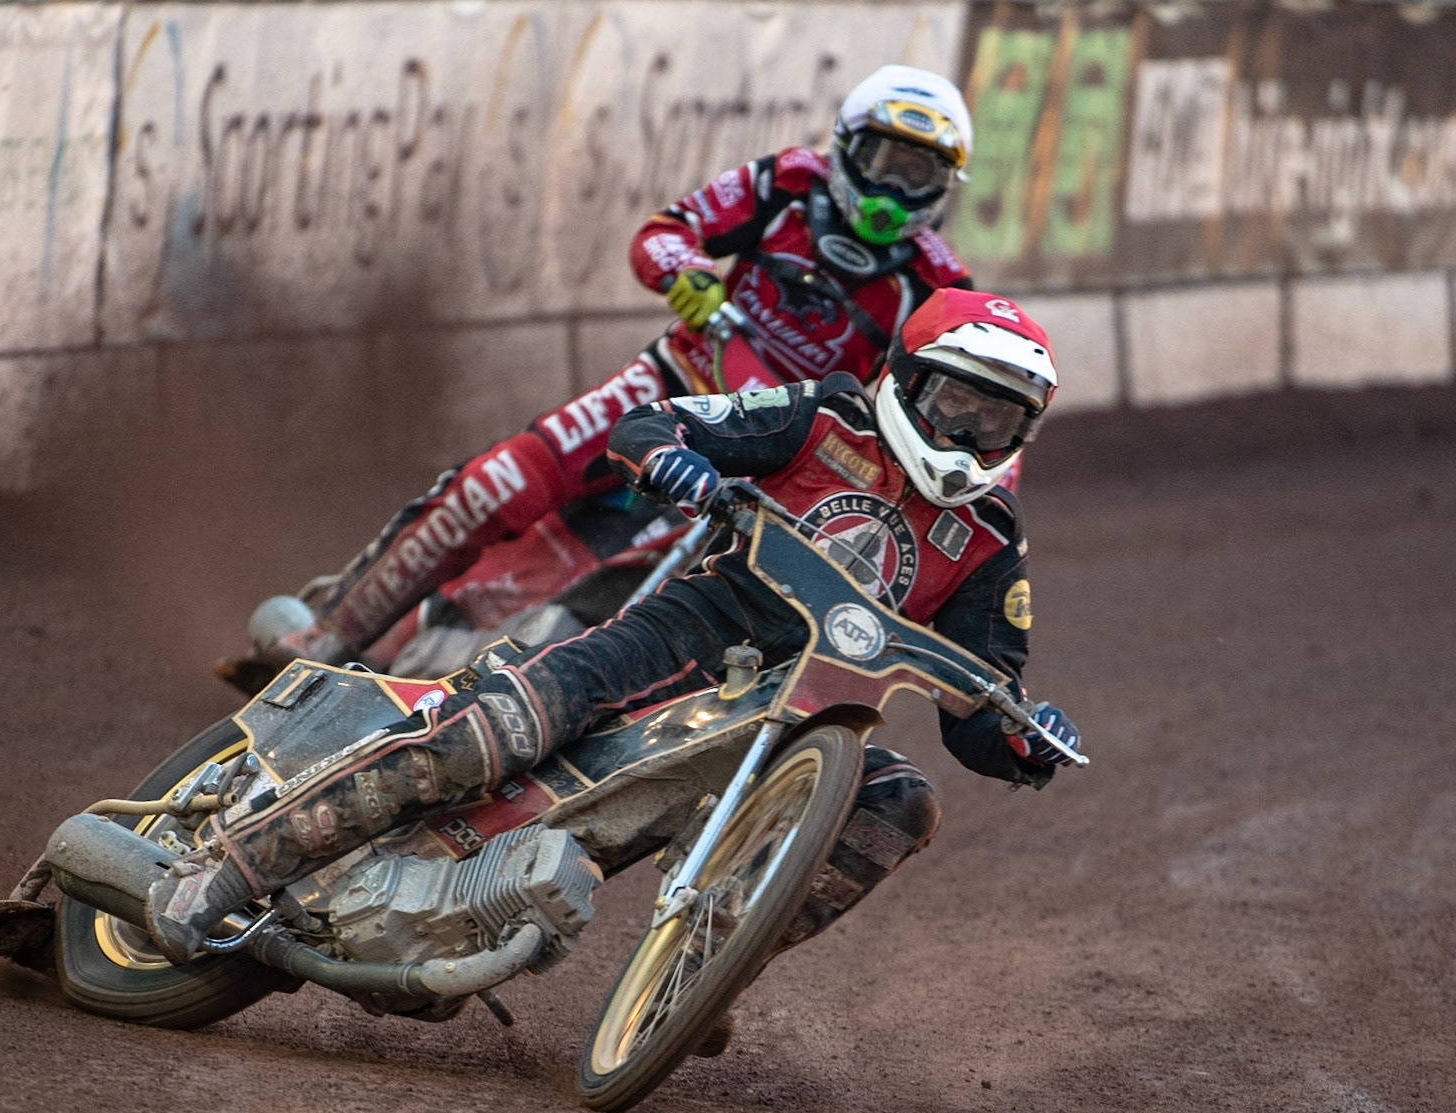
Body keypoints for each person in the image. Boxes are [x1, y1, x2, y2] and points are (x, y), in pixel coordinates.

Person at [145, 289, 1084, 992]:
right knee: (497, 731)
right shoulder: (824, 414)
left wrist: (1019, 735)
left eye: (996, 418)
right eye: (956, 403)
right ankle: (228, 868)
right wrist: (677, 461)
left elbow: (983, 691)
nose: (969, 433)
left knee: (902, 803)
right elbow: (652, 424)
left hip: (807, 717)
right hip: (690, 632)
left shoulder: (992, 539)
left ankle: (703, 971)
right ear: (906, 379)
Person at [220, 65, 981, 690]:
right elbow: (664, 232)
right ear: (847, 146)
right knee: (494, 486)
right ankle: (326, 634)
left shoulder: (937, 288)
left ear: (945, 189)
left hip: (757, 451)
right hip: (670, 379)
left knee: (603, 594)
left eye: (920, 175)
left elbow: (908, 414)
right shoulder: (784, 182)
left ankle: (425, 675)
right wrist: (684, 274)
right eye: (885, 162)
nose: (894, 191)